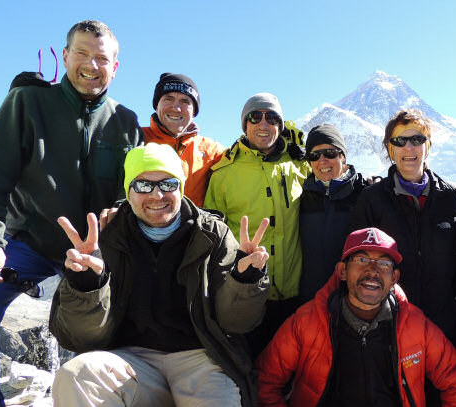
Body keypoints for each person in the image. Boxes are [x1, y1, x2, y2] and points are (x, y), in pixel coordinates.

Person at [0, 20, 142, 406]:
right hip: (31, 244)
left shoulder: (126, 122)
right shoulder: (27, 103)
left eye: (102, 58)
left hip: (96, 253)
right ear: (64, 55)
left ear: (116, 66)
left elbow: (134, 193)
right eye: (82, 53)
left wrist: (118, 211)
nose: (92, 64)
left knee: (132, 324)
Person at [50, 143, 269, 407]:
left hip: (201, 359)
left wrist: (245, 282)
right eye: (143, 185)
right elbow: (78, 338)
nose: (157, 194)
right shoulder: (106, 236)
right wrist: (86, 285)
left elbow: (237, 323)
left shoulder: (212, 233)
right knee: (76, 375)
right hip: (130, 360)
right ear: (128, 192)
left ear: (182, 189)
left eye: (168, 184)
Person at [256, 227, 456, 407]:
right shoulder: (306, 322)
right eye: (361, 260)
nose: (373, 271)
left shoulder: (416, 325)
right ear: (342, 272)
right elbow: (265, 382)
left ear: (394, 278)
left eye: (384, 263)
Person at [204, 93, 310, 356]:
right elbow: (212, 239)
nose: (264, 124)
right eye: (255, 116)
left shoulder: (300, 165)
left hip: (296, 292)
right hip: (247, 292)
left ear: (281, 125)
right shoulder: (223, 174)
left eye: (272, 118)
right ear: (245, 124)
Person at [349, 109, 456, 345]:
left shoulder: (452, 197)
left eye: (418, 140)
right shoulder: (372, 199)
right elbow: (357, 262)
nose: (409, 148)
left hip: (446, 326)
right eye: (400, 141)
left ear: (428, 146)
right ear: (390, 150)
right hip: (390, 324)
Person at [298, 124, 370, 303]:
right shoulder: (302, 197)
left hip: (353, 300)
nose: (322, 160)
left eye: (330, 153)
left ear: (343, 156)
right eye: (315, 155)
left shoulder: (365, 194)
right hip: (311, 299)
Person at [142, 73, 225, 207]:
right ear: (157, 106)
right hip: (142, 226)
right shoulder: (135, 138)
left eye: (185, 101)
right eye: (168, 99)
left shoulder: (212, 150)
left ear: (194, 112)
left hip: (193, 226)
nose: (176, 108)